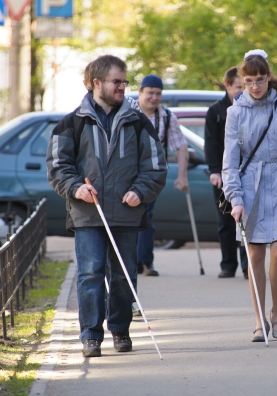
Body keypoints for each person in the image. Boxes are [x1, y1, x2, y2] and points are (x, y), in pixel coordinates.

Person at [46, 55, 167, 357]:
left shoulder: (139, 123)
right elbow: (58, 166)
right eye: (117, 81)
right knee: (90, 273)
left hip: (126, 213)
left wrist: (140, 191)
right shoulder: (71, 123)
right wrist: (76, 187)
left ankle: (120, 330)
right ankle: (90, 336)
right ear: (96, 82)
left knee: (124, 275)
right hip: (88, 212)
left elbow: (155, 166)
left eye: (124, 82)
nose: (122, 87)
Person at [222, 49, 277, 342]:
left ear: (269, 77)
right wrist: (235, 198)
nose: (256, 86)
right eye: (249, 81)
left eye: (260, 79)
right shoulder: (235, 112)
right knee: (255, 254)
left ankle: (276, 311)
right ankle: (259, 319)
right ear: (242, 82)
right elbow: (230, 162)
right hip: (250, 186)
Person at [127, 74, 189, 277]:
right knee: (127, 217)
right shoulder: (126, 111)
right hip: (125, 173)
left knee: (145, 215)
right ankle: (131, 261)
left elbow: (180, 146)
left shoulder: (167, 117)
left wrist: (182, 176)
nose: (154, 97)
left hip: (151, 176)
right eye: (150, 92)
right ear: (140, 93)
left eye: (158, 93)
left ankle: (144, 261)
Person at [205, 66, 249, 279]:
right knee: (225, 222)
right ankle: (228, 264)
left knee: (246, 220)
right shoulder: (215, 111)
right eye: (239, 87)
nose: (242, 91)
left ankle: (248, 265)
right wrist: (214, 171)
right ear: (228, 86)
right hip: (223, 175)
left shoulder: (249, 107)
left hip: (247, 172)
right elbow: (211, 144)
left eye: (244, 86)